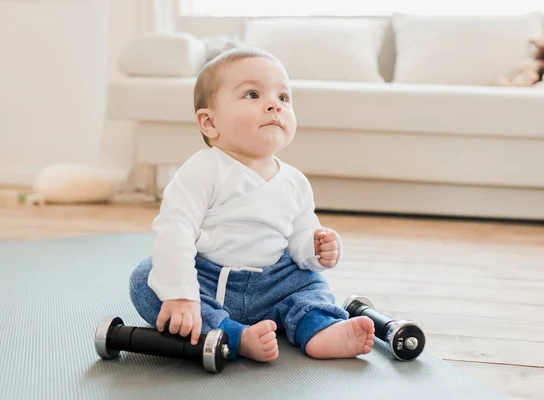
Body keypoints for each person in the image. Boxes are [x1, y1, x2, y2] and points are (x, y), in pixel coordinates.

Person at [129, 47, 375, 363]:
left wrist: (314, 247)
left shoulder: (295, 182)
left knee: (311, 284)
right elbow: (175, 229)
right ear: (209, 122)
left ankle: (318, 327)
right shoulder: (203, 170)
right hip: (209, 282)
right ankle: (231, 334)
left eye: (284, 98)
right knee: (146, 278)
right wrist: (180, 295)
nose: (274, 105)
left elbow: (299, 236)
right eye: (252, 94)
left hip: (274, 284)